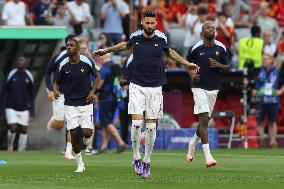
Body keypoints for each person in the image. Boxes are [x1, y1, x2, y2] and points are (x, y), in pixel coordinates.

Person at [93, 10, 199, 179]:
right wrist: (105, 50)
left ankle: (147, 161)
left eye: (152, 23)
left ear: (155, 24)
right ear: (142, 22)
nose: (150, 26)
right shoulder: (136, 36)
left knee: (150, 127)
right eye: (147, 23)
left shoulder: (161, 38)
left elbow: (170, 53)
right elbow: (124, 45)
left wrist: (187, 63)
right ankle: (136, 157)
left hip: (156, 86)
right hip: (136, 85)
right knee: (136, 123)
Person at [186, 23, 230, 168]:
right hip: (198, 88)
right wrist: (192, 75)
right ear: (202, 32)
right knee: (204, 119)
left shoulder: (221, 47)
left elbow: (228, 67)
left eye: (213, 28)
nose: (211, 29)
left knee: (203, 122)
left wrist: (219, 65)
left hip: (213, 88)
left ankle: (192, 142)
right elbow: (187, 64)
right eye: (208, 28)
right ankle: (208, 157)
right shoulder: (195, 47)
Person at [53, 39, 100, 173]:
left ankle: (82, 133)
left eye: (71, 45)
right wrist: (55, 90)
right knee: (73, 133)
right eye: (67, 46)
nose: (68, 48)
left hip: (86, 102)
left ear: (78, 48)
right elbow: (56, 82)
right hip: (70, 103)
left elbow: (97, 77)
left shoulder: (87, 61)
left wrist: (92, 91)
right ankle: (80, 163)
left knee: (87, 132)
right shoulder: (62, 64)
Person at [44, 34, 77, 160]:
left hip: (73, 95)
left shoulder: (81, 58)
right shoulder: (58, 56)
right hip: (59, 94)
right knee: (58, 125)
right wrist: (50, 90)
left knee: (72, 123)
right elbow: (47, 74)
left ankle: (68, 152)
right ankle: (53, 120)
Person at [0, 56, 35, 152]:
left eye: (22, 61)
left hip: (24, 108)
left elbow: (32, 95)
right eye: (18, 61)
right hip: (11, 107)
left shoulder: (29, 76)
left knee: (24, 129)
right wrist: (1, 109)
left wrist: (32, 112)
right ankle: (10, 146)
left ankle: (21, 150)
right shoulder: (11, 74)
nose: (19, 62)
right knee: (13, 127)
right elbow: (3, 92)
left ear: (26, 64)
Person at [96, 52, 128, 153]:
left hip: (105, 98)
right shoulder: (117, 67)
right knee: (108, 121)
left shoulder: (105, 67)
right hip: (115, 98)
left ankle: (121, 143)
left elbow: (100, 83)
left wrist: (94, 91)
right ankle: (104, 146)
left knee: (106, 122)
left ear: (104, 58)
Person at [254, 54, 284, 147]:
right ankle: (262, 140)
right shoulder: (259, 71)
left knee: (272, 122)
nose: (264, 61)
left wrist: (281, 91)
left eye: (266, 59)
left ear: (271, 61)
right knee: (260, 122)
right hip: (261, 100)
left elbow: (282, 82)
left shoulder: (277, 71)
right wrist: (255, 90)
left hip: (273, 100)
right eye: (263, 59)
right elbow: (255, 84)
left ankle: (272, 142)